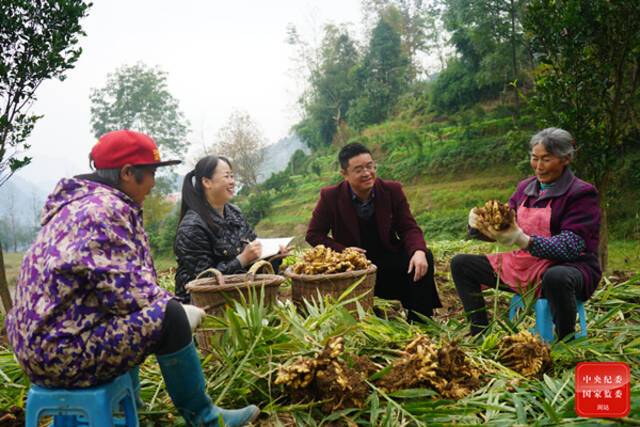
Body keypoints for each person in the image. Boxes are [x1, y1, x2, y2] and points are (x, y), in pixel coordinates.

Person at [4, 130, 259, 427]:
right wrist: (177, 312)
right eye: (150, 173)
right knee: (169, 315)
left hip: (41, 346)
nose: (153, 182)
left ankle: (131, 407)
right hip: (61, 354)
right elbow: (128, 293)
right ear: (127, 173)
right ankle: (205, 417)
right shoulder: (104, 211)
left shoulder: (78, 204)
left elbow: (110, 287)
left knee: (136, 320)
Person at [451, 127, 601, 340]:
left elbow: (570, 246)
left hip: (570, 266)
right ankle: (479, 335)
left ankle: (565, 340)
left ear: (565, 159)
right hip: (525, 264)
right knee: (461, 264)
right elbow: (506, 229)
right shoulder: (525, 188)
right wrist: (480, 227)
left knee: (556, 277)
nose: (538, 167)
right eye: (534, 158)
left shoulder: (581, 193)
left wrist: (523, 240)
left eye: (546, 159)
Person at [306, 142, 441, 319]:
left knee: (424, 257)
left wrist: (418, 251)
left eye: (370, 166)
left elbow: (408, 227)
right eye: (359, 169)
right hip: (355, 265)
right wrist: (343, 251)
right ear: (344, 174)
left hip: (387, 256)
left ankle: (420, 321)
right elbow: (314, 234)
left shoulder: (391, 190)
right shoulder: (331, 196)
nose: (367, 173)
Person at [174, 155, 287, 303]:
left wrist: (274, 256)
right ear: (207, 182)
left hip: (240, 295)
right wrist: (242, 259)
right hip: (205, 305)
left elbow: (254, 254)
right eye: (227, 176)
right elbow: (203, 280)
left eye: (232, 176)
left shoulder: (234, 212)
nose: (232, 182)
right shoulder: (192, 227)